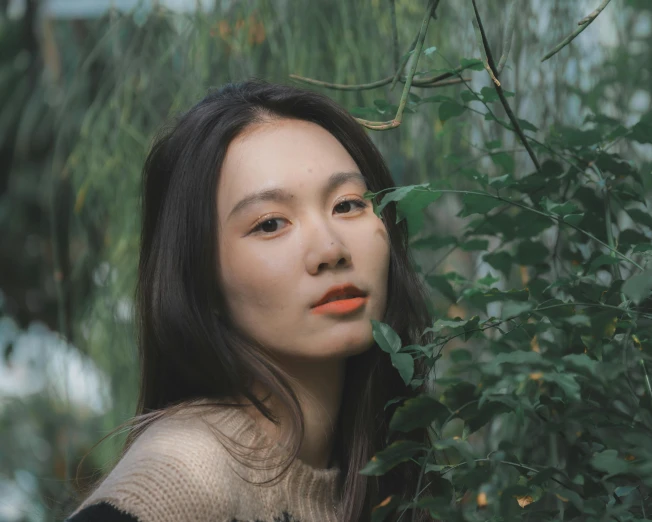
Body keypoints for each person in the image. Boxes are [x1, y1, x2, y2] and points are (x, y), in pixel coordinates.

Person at [65, 79, 435, 522]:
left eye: (348, 204)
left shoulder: (386, 469)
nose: (331, 250)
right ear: (201, 279)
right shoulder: (182, 474)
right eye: (271, 223)